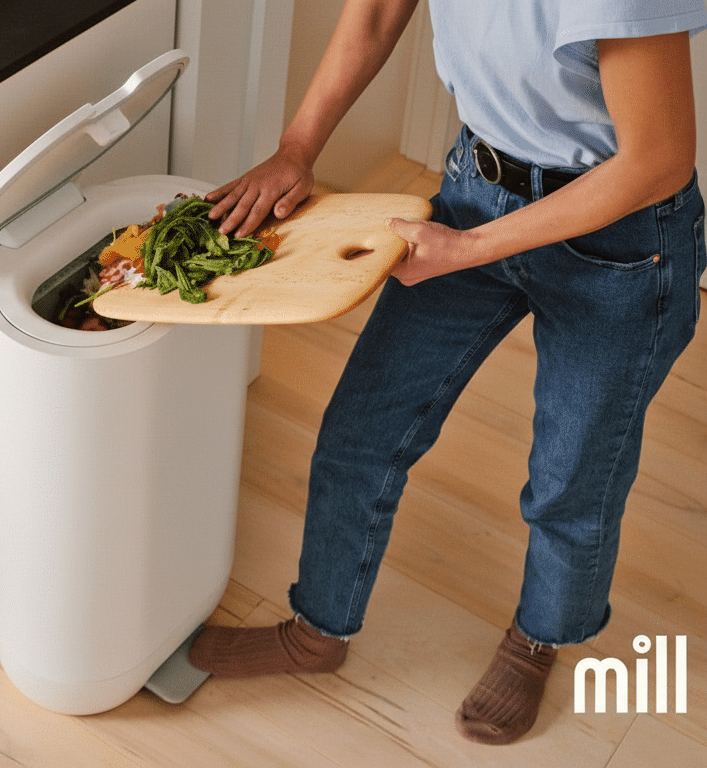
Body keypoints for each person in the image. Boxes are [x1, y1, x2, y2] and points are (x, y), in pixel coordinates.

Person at [187, 0, 707, 746]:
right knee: (361, 431)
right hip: (475, 189)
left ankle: (540, 639)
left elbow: (658, 160)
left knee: (573, 480)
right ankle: (317, 628)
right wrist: (296, 148)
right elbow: (373, 16)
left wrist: (471, 251)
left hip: (620, 243)